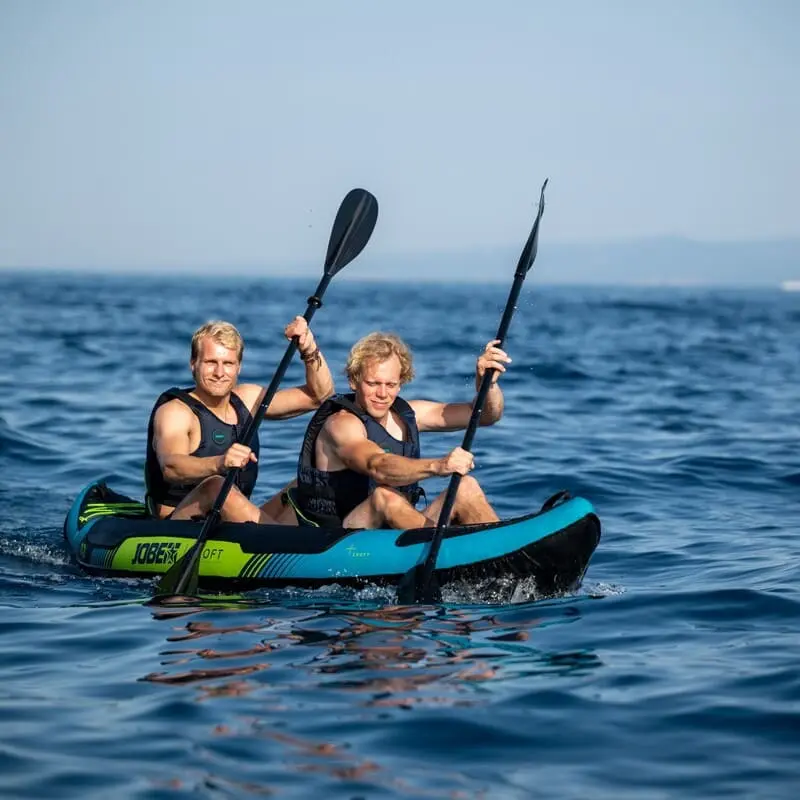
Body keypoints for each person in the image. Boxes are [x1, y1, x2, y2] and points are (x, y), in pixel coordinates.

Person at [288, 331, 510, 529]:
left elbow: (484, 415)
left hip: (393, 533)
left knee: (465, 487)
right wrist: (438, 465)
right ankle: (450, 552)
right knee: (384, 497)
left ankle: (504, 551)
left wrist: (487, 384)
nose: (382, 394)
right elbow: (377, 466)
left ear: (401, 383)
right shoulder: (341, 424)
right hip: (342, 539)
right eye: (373, 384)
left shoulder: (409, 415)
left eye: (391, 385)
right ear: (354, 381)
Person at [145, 317, 333, 523]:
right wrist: (220, 463)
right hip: (177, 524)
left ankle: (332, 536)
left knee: (309, 482)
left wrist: (308, 348)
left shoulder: (248, 399)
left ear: (239, 367)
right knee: (216, 486)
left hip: (232, 523)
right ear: (193, 364)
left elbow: (319, 396)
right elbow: (171, 467)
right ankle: (281, 541)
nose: (219, 373)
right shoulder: (175, 412)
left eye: (228, 363)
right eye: (210, 362)